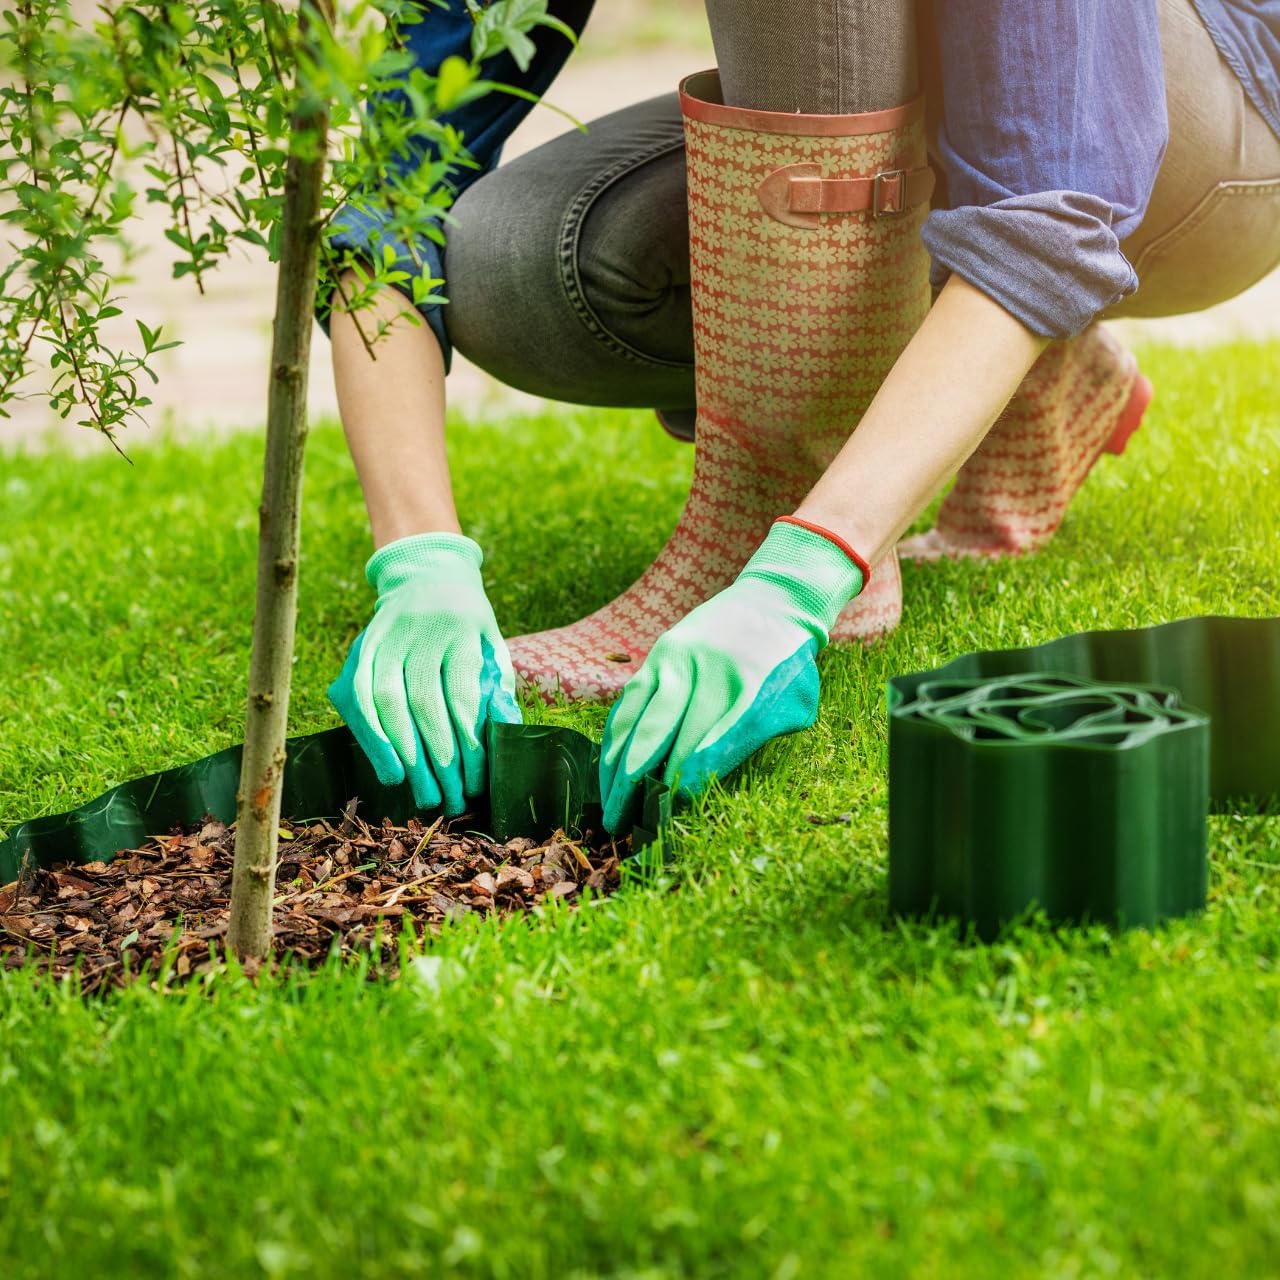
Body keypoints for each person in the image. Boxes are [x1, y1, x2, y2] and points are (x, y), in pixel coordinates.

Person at [326, 0, 1280, 832]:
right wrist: (418, 560)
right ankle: (1032, 367)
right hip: (955, 131)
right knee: (514, 263)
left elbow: (1057, 195)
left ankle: (779, 502)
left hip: (1207, 134)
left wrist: (799, 574)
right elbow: (395, 195)